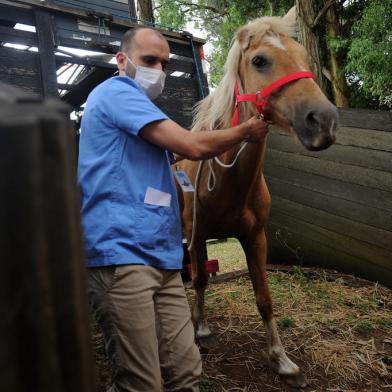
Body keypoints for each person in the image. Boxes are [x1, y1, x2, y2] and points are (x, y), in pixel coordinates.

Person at [78, 27, 269, 392]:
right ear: (122, 60)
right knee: (141, 382)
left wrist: (224, 120)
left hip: (162, 258)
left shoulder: (145, 112)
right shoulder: (116, 93)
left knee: (186, 370)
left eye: (164, 63)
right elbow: (191, 146)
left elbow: (178, 152)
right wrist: (243, 131)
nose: (158, 70)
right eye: (149, 60)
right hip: (122, 258)